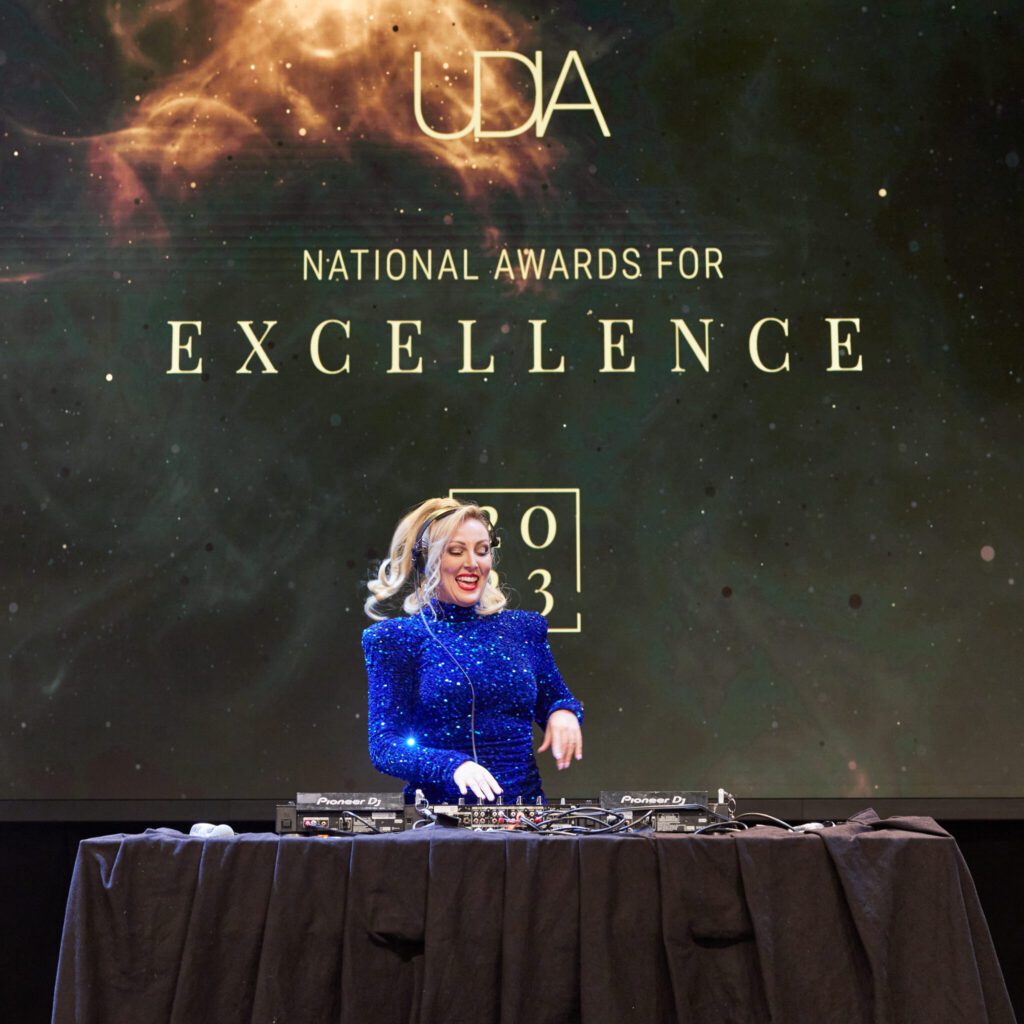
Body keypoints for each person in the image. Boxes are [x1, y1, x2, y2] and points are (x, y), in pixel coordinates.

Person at [362, 497, 584, 804]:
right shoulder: (395, 639)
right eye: (456, 551)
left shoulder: (524, 629)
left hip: (526, 818)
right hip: (438, 821)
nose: (473, 563)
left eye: (482, 550)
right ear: (426, 560)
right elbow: (385, 746)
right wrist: (452, 766)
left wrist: (562, 713)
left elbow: (556, 698)